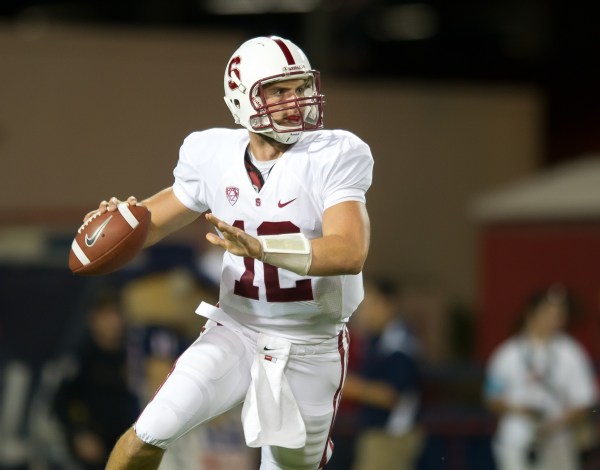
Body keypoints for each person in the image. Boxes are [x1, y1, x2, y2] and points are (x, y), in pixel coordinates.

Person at [83, 35, 373, 470]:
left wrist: (262, 248)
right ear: (242, 99)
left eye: (300, 88)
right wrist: (117, 225)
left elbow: (349, 251)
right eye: (278, 90)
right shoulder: (212, 152)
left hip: (310, 345)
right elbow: (153, 221)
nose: (294, 101)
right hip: (235, 329)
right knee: (144, 437)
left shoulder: (336, 153)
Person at [484, 285, 599, 470]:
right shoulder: (507, 353)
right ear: (531, 313)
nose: (555, 319)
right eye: (548, 312)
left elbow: (586, 401)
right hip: (516, 440)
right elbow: (491, 398)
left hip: (559, 440)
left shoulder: (571, 352)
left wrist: (557, 423)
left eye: (559, 314)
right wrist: (521, 409)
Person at [340, 277, 424, 470]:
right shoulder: (376, 341)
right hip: (376, 434)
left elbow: (389, 395)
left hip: (391, 437)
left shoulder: (399, 344)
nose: (363, 312)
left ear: (388, 304)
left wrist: (345, 385)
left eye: (369, 304)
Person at [52, 288, 140, 470]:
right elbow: (60, 403)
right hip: (95, 447)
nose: (112, 322)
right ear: (93, 319)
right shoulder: (81, 357)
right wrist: (79, 434)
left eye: (116, 314)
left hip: (131, 444)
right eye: (105, 316)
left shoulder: (134, 355)